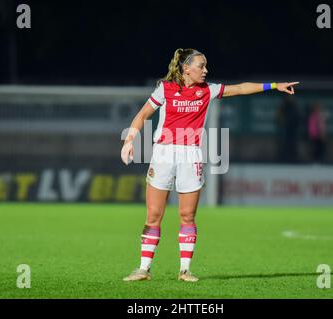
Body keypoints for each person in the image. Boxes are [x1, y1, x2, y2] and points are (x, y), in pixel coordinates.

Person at [121, 48, 299, 282]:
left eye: (205, 66)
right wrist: (130, 140)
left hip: (191, 155)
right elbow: (143, 114)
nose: (206, 71)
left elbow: (241, 88)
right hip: (163, 154)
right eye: (201, 66)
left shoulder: (208, 90)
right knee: (154, 214)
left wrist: (275, 85)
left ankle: (185, 270)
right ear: (186, 69)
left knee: (187, 215)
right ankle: (143, 269)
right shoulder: (165, 89)